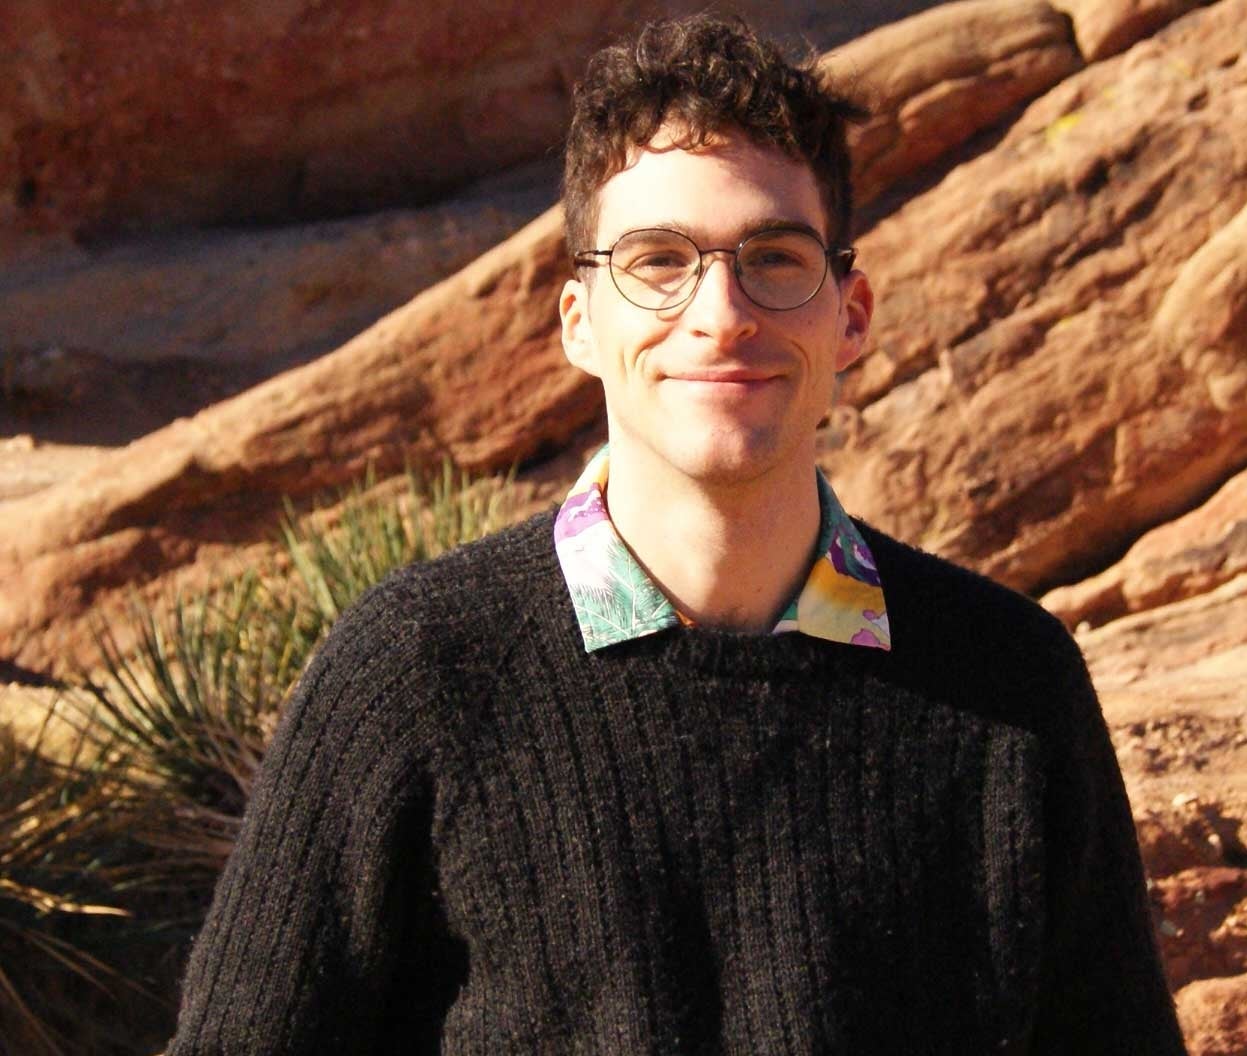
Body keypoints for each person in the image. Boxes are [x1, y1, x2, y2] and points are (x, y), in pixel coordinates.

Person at [168, 15, 1187, 1054]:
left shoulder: (1010, 688)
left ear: (854, 314)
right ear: (578, 320)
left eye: (774, 259)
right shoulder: (418, 675)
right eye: (659, 260)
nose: (721, 312)